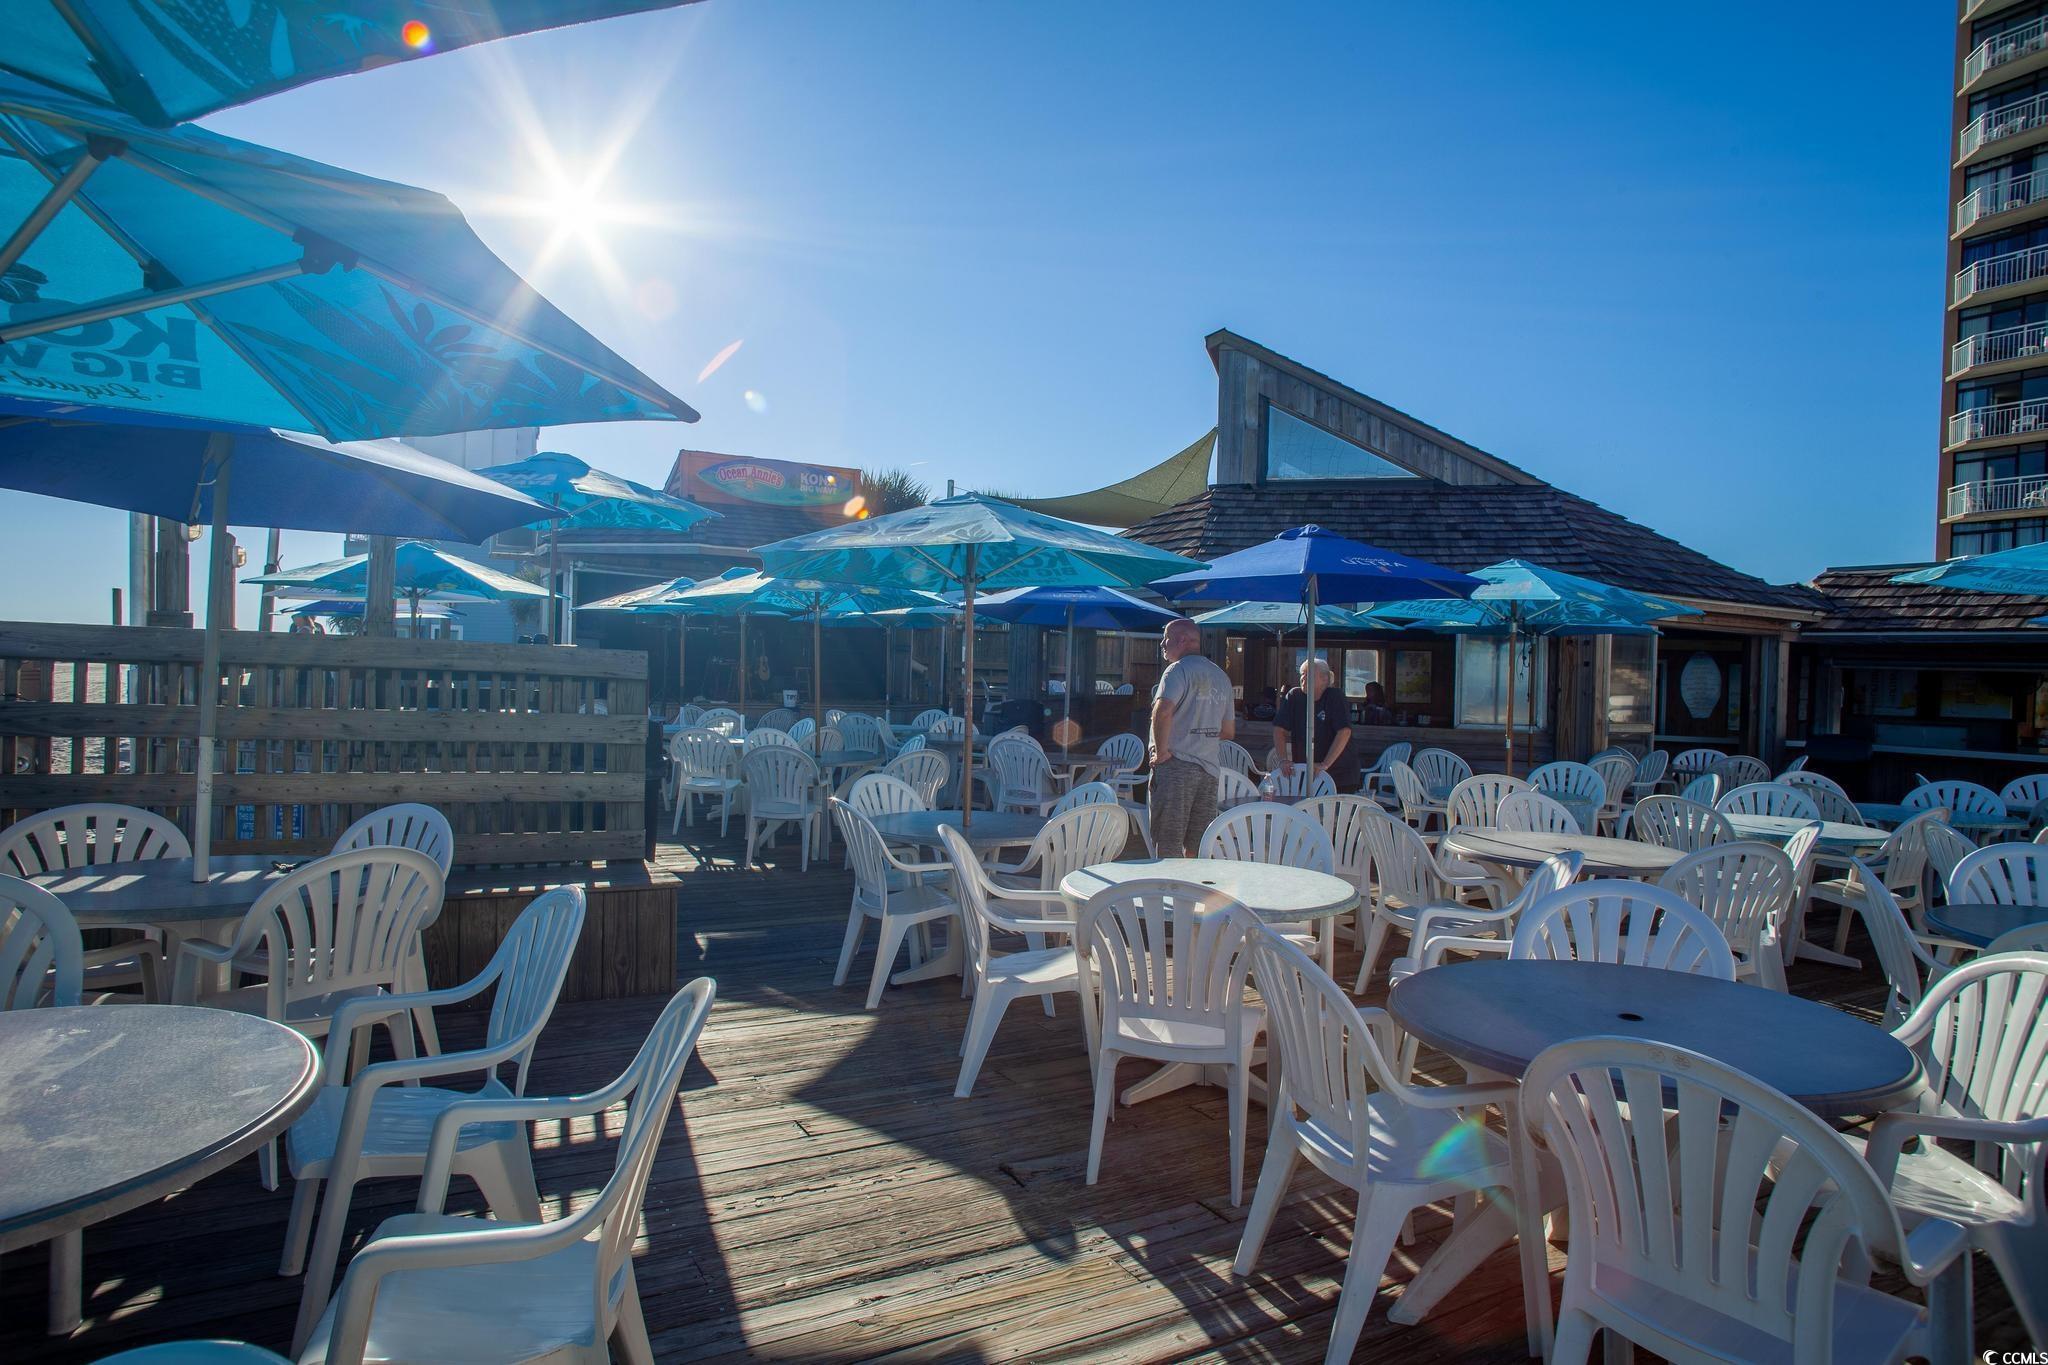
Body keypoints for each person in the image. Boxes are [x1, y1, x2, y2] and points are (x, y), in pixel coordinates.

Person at [1148, 617, 1234, 857]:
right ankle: (1189, 893)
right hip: (1209, 771)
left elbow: (1162, 710)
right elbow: (1228, 731)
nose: (1163, 644)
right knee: (1197, 846)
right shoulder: (1220, 676)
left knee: (1167, 842)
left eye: (1166, 639)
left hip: (1175, 766)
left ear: (1183, 640)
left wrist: (1162, 751)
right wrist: (1201, 734)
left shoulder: (1177, 670)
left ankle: (1166, 892)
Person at [1275, 658, 1358, 792]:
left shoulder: (1335, 696)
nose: (1303, 678)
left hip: (1340, 774)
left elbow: (1344, 731)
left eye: (1309, 674)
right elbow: (1279, 729)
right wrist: (1283, 760)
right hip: (1306, 774)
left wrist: (1325, 764)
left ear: (1325, 679)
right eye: (1302, 673)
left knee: (1335, 812)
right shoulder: (1294, 696)